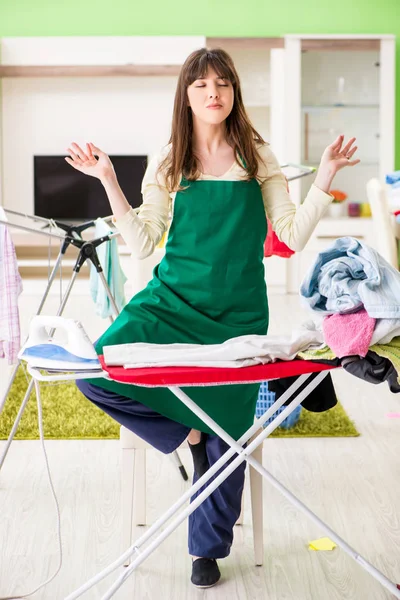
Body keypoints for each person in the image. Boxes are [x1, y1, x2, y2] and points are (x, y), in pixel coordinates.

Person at [65, 47, 359, 588]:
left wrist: (326, 178)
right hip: (170, 303)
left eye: (222, 84)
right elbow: (145, 240)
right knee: (93, 372)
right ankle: (185, 436)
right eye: (201, 85)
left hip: (239, 315)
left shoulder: (258, 156)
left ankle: (207, 549)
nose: (213, 93)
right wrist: (108, 179)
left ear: (233, 93)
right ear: (187, 94)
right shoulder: (169, 158)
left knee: (230, 435)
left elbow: (290, 236)